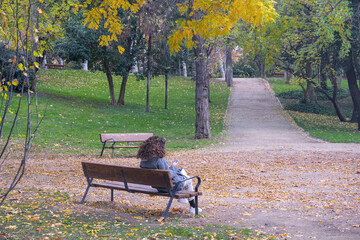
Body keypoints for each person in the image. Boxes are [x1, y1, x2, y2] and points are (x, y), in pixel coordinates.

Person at [137, 136, 202, 214]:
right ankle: (193, 207)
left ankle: (184, 200)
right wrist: (173, 166)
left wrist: (169, 168)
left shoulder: (143, 161)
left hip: (158, 186)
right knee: (188, 179)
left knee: (182, 172)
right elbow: (169, 176)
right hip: (168, 187)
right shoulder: (159, 160)